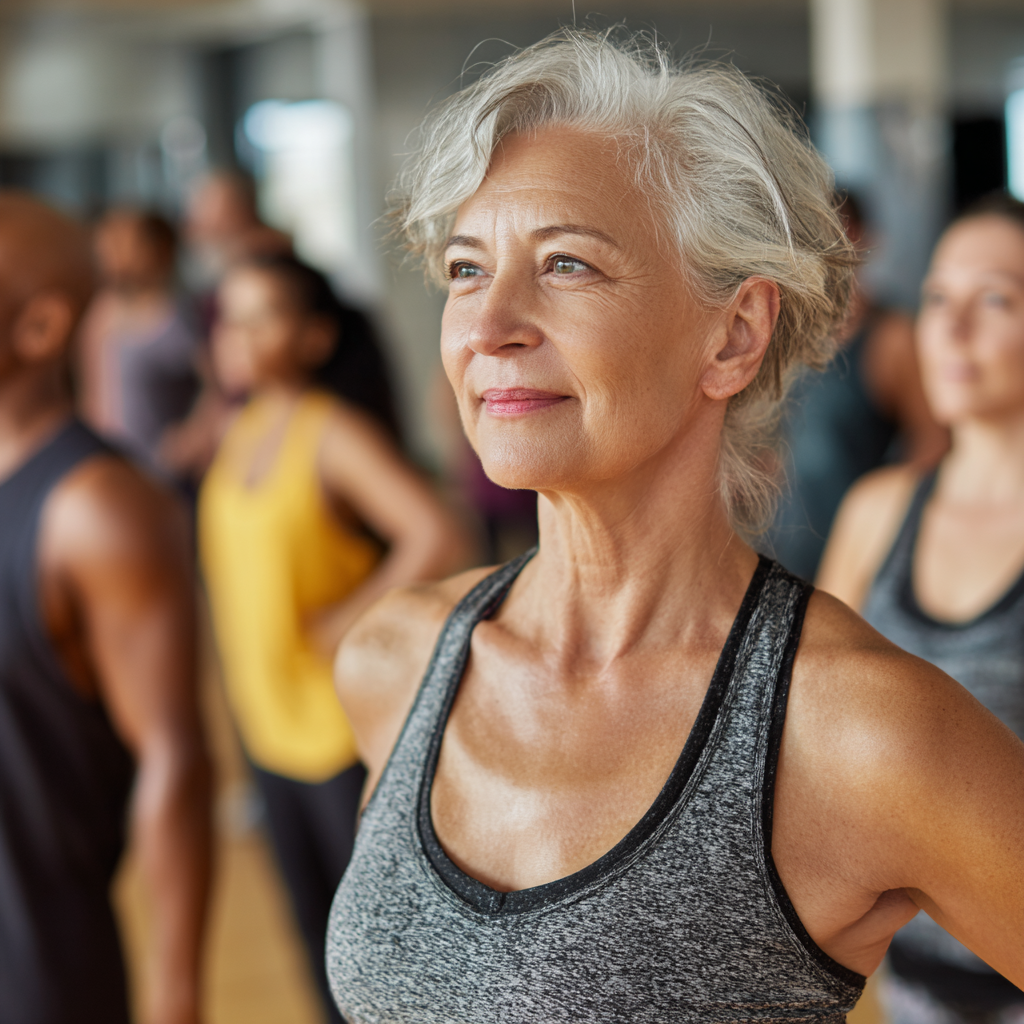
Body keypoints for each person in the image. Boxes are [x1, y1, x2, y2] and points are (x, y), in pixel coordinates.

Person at [324, 30, 1024, 1024]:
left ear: (733, 334)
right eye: (466, 268)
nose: (488, 325)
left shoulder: (856, 732)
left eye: (566, 263)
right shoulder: (395, 662)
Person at [198, 254, 466, 1023]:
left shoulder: (332, 433)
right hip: (264, 726)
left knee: (374, 956)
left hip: (335, 734)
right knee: (311, 940)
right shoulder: (238, 427)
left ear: (314, 337)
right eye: (229, 317)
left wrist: (343, 616)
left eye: (263, 316)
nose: (238, 336)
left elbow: (433, 531)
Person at [0, 191, 211, 1024]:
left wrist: (176, 997)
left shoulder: (99, 507)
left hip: (36, 968)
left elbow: (176, 761)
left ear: (41, 329)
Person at [818, 192, 1024, 1023]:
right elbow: (807, 726)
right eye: (938, 298)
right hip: (907, 990)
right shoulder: (880, 511)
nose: (952, 328)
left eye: (997, 299)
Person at [768, 193, 948, 581]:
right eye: (814, 233)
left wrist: (877, 522)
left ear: (864, 240)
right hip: (777, 558)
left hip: (856, 566)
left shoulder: (891, 339)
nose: (825, 247)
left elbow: (933, 445)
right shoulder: (778, 332)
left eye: (840, 233)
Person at [77, 208, 201, 474]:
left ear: (159, 249)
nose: (109, 252)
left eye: (122, 242)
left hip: (166, 473)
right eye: (106, 242)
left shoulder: (182, 315)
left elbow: (220, 385)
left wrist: (193, 435)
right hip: (110, 467)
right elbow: (91, 391)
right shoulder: (100, 313)